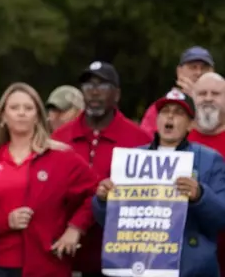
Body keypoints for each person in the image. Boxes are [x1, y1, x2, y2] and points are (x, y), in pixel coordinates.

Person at [0, 83, 97, 277]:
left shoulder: (62, 158)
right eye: (14, 108)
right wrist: (6, 220)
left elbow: (94, 192)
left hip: (46, 265)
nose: (21, 113)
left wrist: (75, 229)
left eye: (28, 108)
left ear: (37, 116)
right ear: (3, 117)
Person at [93, 90, 225, 276]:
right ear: (157, 120)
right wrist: (103, 200)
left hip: (190, 269)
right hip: (140, 266)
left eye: (178, 113)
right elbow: (108, 220)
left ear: (191, 124)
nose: (170, 116)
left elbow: (221, 217)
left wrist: (200, 196)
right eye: (164, 111)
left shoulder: (210, 160)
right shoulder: (132, 159)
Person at [51, 61, 151, 277]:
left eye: (102, 86)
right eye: (88, 86)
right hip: (63, 255)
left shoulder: (139, 139)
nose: (94, 93)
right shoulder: (59, 138)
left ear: (117, 94)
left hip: (119, 259)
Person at [186, 72, 225, 276]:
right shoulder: (176, 140)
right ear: (192, 98)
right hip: (190, 261)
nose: (208, 98)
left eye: (216, 93)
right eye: (202, 93)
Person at [140, 46, 215, 138]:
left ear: (212, 72)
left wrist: (198, 99)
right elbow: (146, 140)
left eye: (204, 68)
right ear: (179, 72)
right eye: (193, 67)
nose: (198, 72)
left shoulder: (220, 105)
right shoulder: (162, 106)